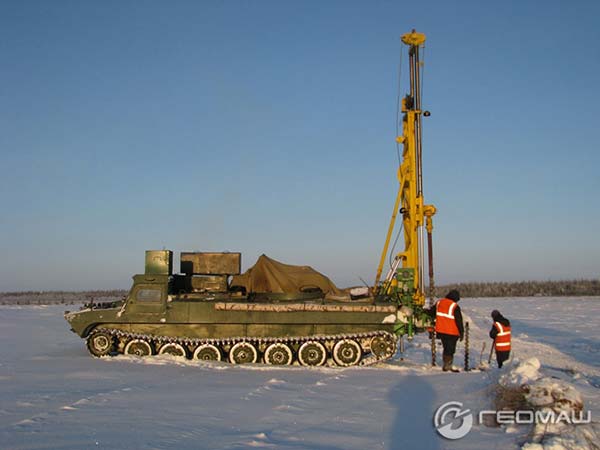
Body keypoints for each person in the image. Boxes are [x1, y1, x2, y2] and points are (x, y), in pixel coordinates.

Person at [434, 289, 464, 372]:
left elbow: (432, 312)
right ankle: (448, 365)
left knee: (446, 348)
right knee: (450, 350)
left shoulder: (439, 303)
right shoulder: (454, 306)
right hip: (452, 332)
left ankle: (446, 364)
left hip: (441, 331)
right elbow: (459, 321)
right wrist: (461, 333)